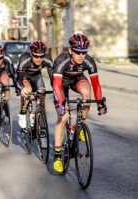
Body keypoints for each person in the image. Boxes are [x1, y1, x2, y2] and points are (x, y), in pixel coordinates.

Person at [51, 33, 107, 173]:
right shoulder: (61, 60)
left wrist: (100, 102)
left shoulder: (89, 61)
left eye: (84, 52)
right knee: (63, 117)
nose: (81, 56)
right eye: (77, 52)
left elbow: (96, 85)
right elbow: (57, 86)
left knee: (87, 94)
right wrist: (61, 103)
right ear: (70, 50)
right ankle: (57, 155)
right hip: (61, 82)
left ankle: (80, 124)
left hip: (77, 78)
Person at [16, 41, 53, 139]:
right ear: (31, 53)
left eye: (41, 56)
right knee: (28, 90)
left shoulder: (47, 59)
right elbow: (18, 80)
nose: (39, 59)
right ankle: (23, 112)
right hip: (24, 77)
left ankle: (42, 130)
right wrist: (21, 89)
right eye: (36, 56)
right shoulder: (24, 58)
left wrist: (56, 89)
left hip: (36, 76)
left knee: (42, 99)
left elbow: (53, 77)